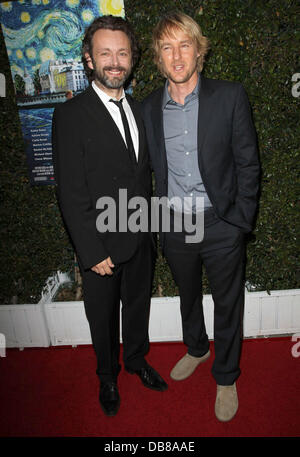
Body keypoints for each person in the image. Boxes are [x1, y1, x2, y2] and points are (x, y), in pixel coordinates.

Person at [142, 11, 260, 422]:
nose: (177, 57)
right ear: (158, 57)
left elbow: (248, 163)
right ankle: (197, 347)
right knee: (187, 295)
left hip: (221, 222)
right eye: (167, 48)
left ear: (199, 50)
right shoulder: (148, 109)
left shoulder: (229, 96)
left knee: (229, 303)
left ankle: (226, 375)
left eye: (184, 45)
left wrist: (241, 219)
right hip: (175, 223)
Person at [52, 15, 167, 417]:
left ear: (132, 60)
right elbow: (70, 191)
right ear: (88, 59)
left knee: (138, 307)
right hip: (100, 246)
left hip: (140, 236)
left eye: (122, 53)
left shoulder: (141, 109)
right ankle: (108, 376)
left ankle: (136, 360)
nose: (114, 62)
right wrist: (91, 249)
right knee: (101, 319)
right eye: (105, 53)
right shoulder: (70, 115)